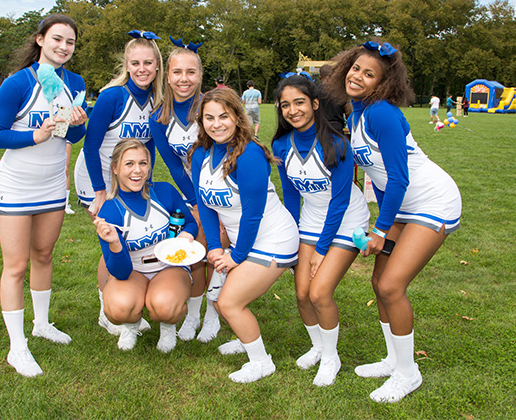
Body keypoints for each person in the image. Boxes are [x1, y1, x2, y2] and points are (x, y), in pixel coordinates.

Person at [325, 40, 462, 403]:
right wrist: (384, 223)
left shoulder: (381, 113)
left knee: (390, 286)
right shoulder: (356, 112)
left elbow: (399, 177)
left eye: (369, 74)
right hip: (403, 204)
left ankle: (408, 373)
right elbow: (381, 177)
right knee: (378, 281)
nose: (358, 76)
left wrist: (380, 230)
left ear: (382, 84)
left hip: (432, 200)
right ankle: (394, 359)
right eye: (356, 68)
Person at [0, 14, 89, 377]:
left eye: (71, 42)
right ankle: (18, 348)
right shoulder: (18, 82)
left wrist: (78, 124)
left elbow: (74, 138)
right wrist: (35, 136)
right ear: (41, 39)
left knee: (43, 254)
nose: (64, 47)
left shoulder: (74, 82)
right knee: (15, 266)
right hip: (16, 184)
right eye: (57, 39)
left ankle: (41, 324)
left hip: (50, 185)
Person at [190, 88, 299, 384]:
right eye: (209, 117)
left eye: (223, 116)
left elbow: (253, 213)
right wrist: (214, 247)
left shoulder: (249, 153)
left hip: (273, 238)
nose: (216, 124)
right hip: (243, 242)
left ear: (238, 117)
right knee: (222, 296)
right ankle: (246, 335)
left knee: (228, 303)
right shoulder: (201, 152)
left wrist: (235, 257)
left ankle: (261, 362)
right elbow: (205, 205)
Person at [271, 75, 370, 387]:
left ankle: (331, 356)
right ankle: (317, 347)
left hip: (346, 219)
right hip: (311, 222)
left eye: (299, 102)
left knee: (319, 291)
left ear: (315, 104)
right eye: (285, 104)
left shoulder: (337, 143)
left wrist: (322, 251)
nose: (293, 110)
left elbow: (340, 202)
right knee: (301, 294)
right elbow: (291, 196)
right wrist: (291, 236)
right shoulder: (280, 145)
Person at [74, 29, 163, 336]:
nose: (142, 69)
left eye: (148, 63)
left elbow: (148, 145)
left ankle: (122, 302)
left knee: (124, 236)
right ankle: (106, 309)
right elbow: (89, 146)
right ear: (127, 64)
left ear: (156, 66)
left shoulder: (157, 99)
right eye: (135, 63)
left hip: (132, 177)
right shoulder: (113, 96)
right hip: (96, 175)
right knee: (111, 238)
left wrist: (146, 182)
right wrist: (100, 191)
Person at [93, 139, 198, 353]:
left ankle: (168, 327)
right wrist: (114, 243)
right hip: (134, 271)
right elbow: (120, 272)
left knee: (165, 306)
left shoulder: (164, 191)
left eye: (143, 163)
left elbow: (190, 222)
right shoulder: (109, 211)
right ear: (115, 168)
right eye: (129, 164)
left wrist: (186, 235)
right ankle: (131, 326)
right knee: (118, 308)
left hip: (169, 265)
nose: (137, 171)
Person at [149, 37, 222, 343]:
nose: (184, 79)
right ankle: (193, 316)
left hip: (225, 188)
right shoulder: (158, 117)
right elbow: (175, 166)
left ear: (200, 75)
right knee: (198, 254)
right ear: (168, 76)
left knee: (219, 255)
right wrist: (194, 201)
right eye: (177, 72)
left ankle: (213, 317)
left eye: (191, 72)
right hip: (196, 192)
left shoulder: (212, 107)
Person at [317, 64, 347, 132]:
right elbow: (347, 111)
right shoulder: (339, 92)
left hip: (320, 127)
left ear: (320, 76)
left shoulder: (314, 92)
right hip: (337, 127)